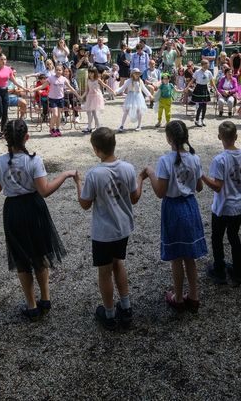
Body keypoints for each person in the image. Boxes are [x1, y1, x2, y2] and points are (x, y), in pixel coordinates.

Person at [0, 119, 75, 320]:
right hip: (34, 207)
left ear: (5, 138)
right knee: (39, 253)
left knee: (21, 258)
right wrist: (64, 175)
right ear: (27, 137)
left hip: (13, 210)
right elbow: (44, 191)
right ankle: (45, 298)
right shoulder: (34, 160)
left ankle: (31, 305)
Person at [74, 127, 145, 330]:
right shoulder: (128, 168)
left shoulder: (95, 174)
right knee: (118, 263)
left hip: (104, 232)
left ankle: (109, 313)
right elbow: (135, 197)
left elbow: (85, 204)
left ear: (96, 149)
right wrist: (140, 179)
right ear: (114, 145)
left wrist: (78, 183)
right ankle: (126, 305)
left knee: (104, 271)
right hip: (123, 228)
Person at [143, 120, 206, 312]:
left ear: (169, 138)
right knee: (190, 257)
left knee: (177, 258)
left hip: (173, 209)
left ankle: (178, 297)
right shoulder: (194, 158)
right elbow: (199, 187)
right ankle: (194, 297)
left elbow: (160, 192)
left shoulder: (164, 161)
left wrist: (150, 174)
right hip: (190, 206)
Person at [201, 121, 241, 285]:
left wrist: (202, 176)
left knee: (217, 237)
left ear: (219, 137)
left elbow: (217, 187)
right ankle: (238, 270)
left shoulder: (220, 159)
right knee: (233, 236)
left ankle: (219, 270)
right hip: (239, 206)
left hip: (223, 207)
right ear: (236, 136)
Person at [34, 64, 79, 137]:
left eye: (60, 70)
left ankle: (57, 129)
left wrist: (77, 95)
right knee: (55, 114)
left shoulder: (64, 79)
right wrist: (33, 89)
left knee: (59, 115)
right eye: (57, 70)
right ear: (55, 70)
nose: (58, 71)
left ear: (62, 71)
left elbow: (71, 88)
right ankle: (51, 128)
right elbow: (43, 86)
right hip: (52, 99)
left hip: (60, 99)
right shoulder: (51, 78)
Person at [0, 54, 26, 138]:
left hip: (5, 91)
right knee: (0, 112)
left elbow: (13, 80)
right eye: (2, 59)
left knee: (5, 112)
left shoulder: (8, 69)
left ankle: (2, 131)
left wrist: (23, 87)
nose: (4, 61)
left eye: (5, 59)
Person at [116, 68, 150, 132]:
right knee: (126, 111)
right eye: (135, 73)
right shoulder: (129, 81)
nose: (137, 75)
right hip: (130, 97)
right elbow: (122, 87)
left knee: (139, 111)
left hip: (138, 97)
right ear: (132, 74)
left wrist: (150, 95)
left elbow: (144, 89)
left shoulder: (140, 81)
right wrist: (116, 91)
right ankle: (122, 125)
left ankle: (139, 125)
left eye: (138, 73)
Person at [188, 59, 214, 128]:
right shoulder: (197, 72)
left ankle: (202, 119)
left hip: (205, 88)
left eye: (208, 64)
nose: (207, 66)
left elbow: (212, 82)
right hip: (199, 88)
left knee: (204, 106)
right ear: (202, 65)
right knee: (199, 106)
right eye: (206, 64)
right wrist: (187, 87)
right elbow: (192, 80)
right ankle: (197, 120)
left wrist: (216, 91)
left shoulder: (209, 72)